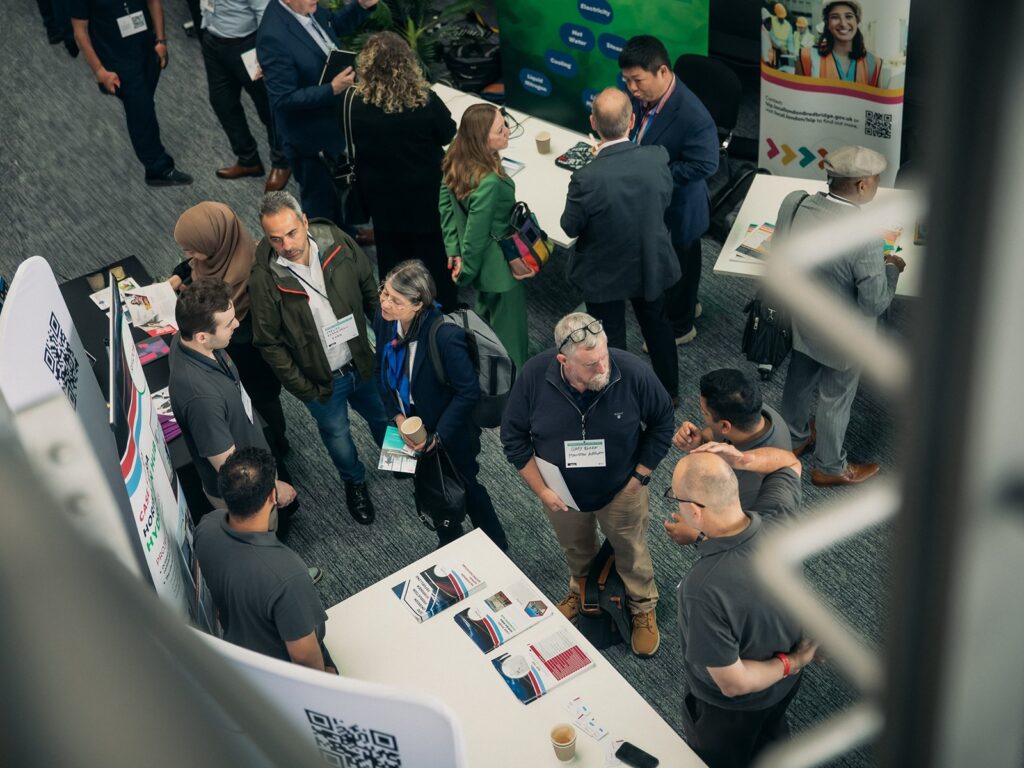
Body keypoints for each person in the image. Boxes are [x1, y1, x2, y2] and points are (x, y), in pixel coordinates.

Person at [500, 312, 675, 657]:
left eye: (604, 356)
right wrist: (543, 491)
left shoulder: (633, 372)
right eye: (591, 364)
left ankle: (642, 606)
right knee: (577, 550)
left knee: (631, 551)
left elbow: (663, 422)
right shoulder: (535, 376)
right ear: (563, 360)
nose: (602, 368)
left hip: (623, 489)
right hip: (561, 494)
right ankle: (581, 590)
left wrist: (640, 477)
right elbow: (513, 438)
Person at [665, 442, 816, 767]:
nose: (676, 509)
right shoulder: (779, 516)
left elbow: (733, 684)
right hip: (785, 687)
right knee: (772, 736)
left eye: (675, 499)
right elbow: (790, 464)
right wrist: (743, 459)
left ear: (695, 510)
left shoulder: (702, 589)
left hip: (732, 711)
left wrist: (794, 661)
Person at [248, 191, 388, 524]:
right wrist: (304, 388)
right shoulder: (264, 279)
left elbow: (368, 286)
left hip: (363, 360)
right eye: (276, 239)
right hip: (322, 382)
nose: (287, 245)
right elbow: (268, 343)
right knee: (338, 438)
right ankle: (354, 482)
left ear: (305, 222)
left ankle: (396, 460)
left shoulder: (336, 242)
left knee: (384, 416)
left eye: (292, 233)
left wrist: (385, 344)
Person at [778, 145, 905, 486]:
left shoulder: (796, 202)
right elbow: (873, 304)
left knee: (799, 379)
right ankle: (829, 467)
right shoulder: (863, 236)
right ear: (863, 185)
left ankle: (792, 438)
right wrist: (891, 270)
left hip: (802, 318)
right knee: (835, 398)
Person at [372, 260, 508, 550]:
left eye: (395, 300)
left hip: (448, 431)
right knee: (426, 484)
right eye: (384, 292)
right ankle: (449, 540)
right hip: (404, 425)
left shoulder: (445, 335)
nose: (384, 302)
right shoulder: (384, 319)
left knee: (467, 487)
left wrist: (437, 437)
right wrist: (396, 416)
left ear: (417, 303)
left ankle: (496, 545)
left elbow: (467, 392)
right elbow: (379, 371)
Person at [560, 87, 680, 402]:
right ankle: (670, 392)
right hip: (649, 262)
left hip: (604, 272)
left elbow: (569, 226)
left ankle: (620, 395)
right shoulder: (657, 158)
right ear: (632, 121)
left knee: (610, 336)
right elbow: (663, 201)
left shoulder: (586, 177)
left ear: (593, 123)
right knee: (657, 326)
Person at [167, 278, 303, 541]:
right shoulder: (200, 398)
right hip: (246, 491)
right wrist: (272, 488)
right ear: (202, 336)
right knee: (263, 543)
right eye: (228, 323)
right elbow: (232, 468)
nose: (238, 324)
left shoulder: (191, 339)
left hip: (254, 455)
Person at [619, 35, 719, 347]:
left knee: (680, 265)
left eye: (637, 81)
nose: (632, 89)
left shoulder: (694, 116)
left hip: (680, 208)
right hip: (655, 205)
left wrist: (650, 171)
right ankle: (687, 306)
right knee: (679, 268)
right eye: (627, 81)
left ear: (662, 72)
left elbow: (705, 165)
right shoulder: (642, 95)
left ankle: (680, 327)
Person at [195, 448, 334, 670]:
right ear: (272, 496)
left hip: (244, 656)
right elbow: (304, 657)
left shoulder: (206, 526)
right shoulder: (287, 574)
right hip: (284, 669)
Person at [171, 201, 290, 457]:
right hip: (225, 360)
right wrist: (178, 277)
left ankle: (279, 446)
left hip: (253, 361)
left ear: (217, 243)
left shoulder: (258, 273)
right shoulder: (214, 257)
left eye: (193, 249)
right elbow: (192, 266)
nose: (189, 255)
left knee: (264, 409)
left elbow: (256, 330)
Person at [349, 32, 458, 311]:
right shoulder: (425, 101)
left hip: (383, 203)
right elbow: (448, 133)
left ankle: (399, 312)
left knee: (393, 263)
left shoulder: (356, 106)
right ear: (407, 64)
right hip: (426, 201)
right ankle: (442, 314)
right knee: (434, 263)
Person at [256, 0, 378, 224]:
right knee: (321, 206)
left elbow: (333, 26)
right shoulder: (273, 36)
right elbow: (283, 98)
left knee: (342, 194)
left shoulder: (306, 7)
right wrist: (331, 89)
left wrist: (360, 6)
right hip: (310, 140)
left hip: (333, 124)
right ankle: (327, 252)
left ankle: (348, 233)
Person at [439, 103, 529, 369]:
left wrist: (453, 251)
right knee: (512, 342)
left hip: (482, 270)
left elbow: (445, 205)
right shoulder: (488, 182)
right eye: (500, 130)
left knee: (487, 328)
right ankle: (518, 386)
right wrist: (465, 270)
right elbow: (476, 236)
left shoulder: (456, 155)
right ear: (481, 139)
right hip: (499, 269)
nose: (508, 131)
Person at [70, 0, 192, 186]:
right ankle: (157, 167)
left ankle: (154, 159)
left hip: (147, 48)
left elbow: (153, 1)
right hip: (117, 62)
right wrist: (99, 71)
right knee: (141, 110)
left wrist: (161, 40)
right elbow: (80, 31)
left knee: (144, 104)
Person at [197, 0, 291, 191]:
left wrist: (265, 52)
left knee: (267, 107)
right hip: (213, 41)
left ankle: (282, 162)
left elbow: (266, 16)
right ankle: (248, 160)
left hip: (247, 47)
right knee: (222, 103)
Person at [673, 368, 793, 508]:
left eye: (704, 412)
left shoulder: (752, 485)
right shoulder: (749, 409)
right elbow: (716, 433)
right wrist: (701, 442)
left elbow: (731, 521)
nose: (701, 415)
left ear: (725, 426)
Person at [797, 1, 882, 87]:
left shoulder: (873, 63)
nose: (843, 23)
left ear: (857, 21)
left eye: (849, 16)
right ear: (827, 23)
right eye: (835, 17)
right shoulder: (807, 58)